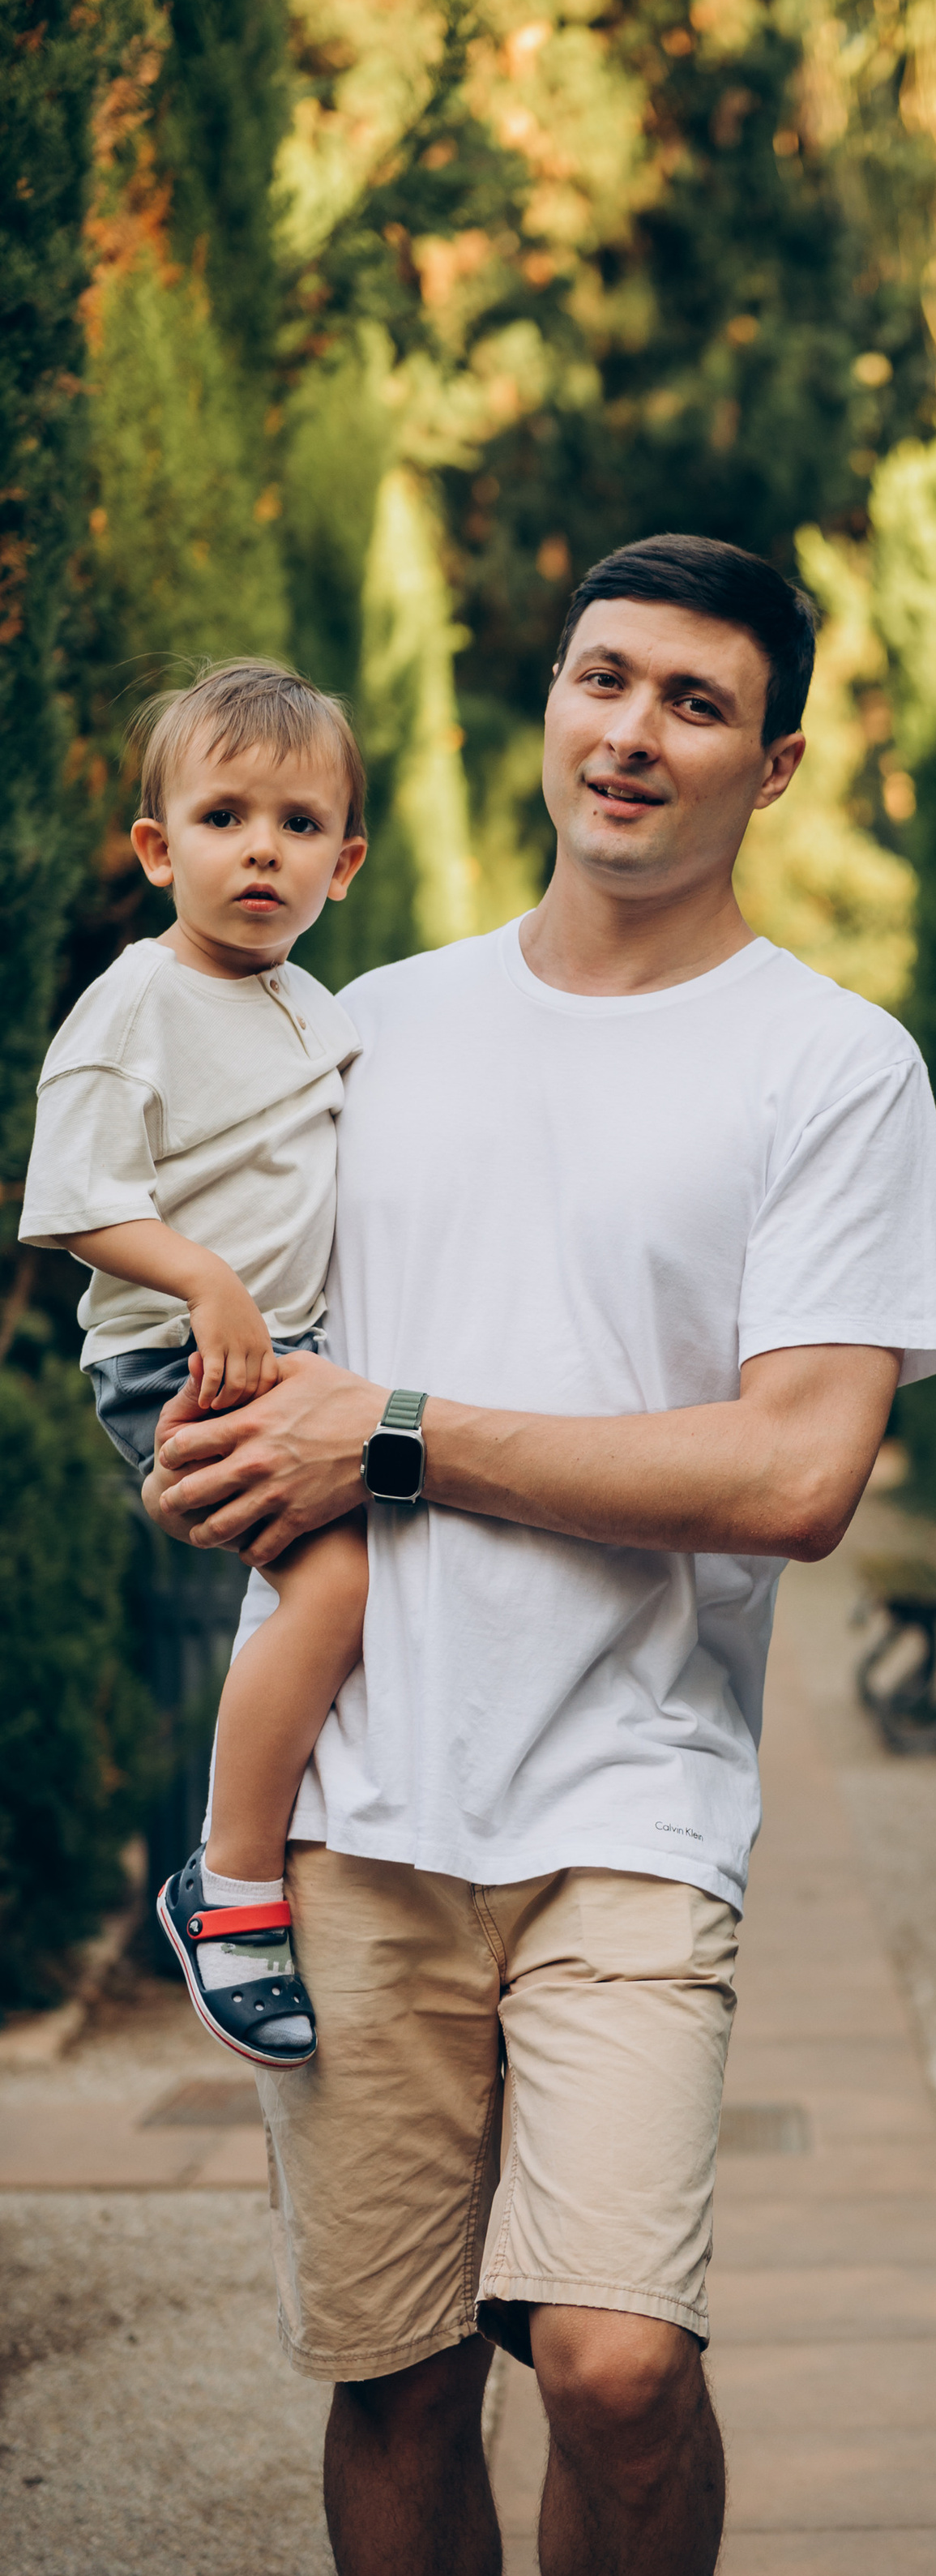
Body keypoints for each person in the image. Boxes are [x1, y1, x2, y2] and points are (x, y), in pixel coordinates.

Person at [150, 533, 936, 2576]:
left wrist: (398, 1428)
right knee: (396, 2373)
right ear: (548, 703)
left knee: (616, 2364)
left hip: (631, 1797)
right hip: (353, 1803)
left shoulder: (830, 1064)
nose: (632, 731)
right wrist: (200, 1438)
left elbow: (795, 1474)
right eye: (603, 678)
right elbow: (229, 1354)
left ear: (774, 764)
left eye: (696, 702)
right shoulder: (359, 1026)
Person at [19, 658, 372, 2066]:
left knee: (364, 1584)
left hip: (293, 1356)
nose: (261, 851)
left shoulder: (312, 1004)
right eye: (225, 818)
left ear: (344, 863)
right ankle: (227, 1885)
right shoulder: (136, 1005)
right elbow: (74, 1201)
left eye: (299, 825)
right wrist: (206, 1279)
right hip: (183, 1356)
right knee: (333, 1584)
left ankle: (330, 1847)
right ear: (159, 848)